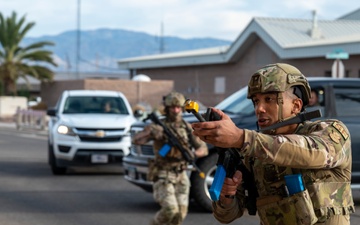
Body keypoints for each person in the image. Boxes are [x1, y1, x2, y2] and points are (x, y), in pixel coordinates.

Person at [191, 63, 354, 225]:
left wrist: (241, 138)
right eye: (256, 101)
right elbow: (226, 216)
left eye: (269, 99)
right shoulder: (254, 155)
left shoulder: (332, 132)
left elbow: (308, 152)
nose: (259, 109)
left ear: (296, 106)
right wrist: (227, 196)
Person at [132, 91, 208, 225]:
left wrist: (194, 154)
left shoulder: (186, 127)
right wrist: (151, 131)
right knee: (170, 210)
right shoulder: (159, 126)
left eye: (178, 107)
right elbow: (136, 140)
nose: (176, 110)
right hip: (163, 173)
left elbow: (203, 149)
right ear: (167, 109)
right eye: (173, 107)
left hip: (181, 174)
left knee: (180, 214)